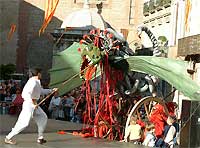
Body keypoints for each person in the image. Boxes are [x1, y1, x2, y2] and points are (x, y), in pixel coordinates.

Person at [5, 68, 58, 145]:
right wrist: (33, 103)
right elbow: (25, 94)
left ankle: (40, 137)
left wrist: (51, 90)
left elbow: (41, 91)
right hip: (29, 105)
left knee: (43, 117)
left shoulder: (37, 82)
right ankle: (8, 137)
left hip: (34, 104)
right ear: (38, 74)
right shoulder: (32, 82)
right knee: (24, 123)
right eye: (41, 73)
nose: (41, 75)